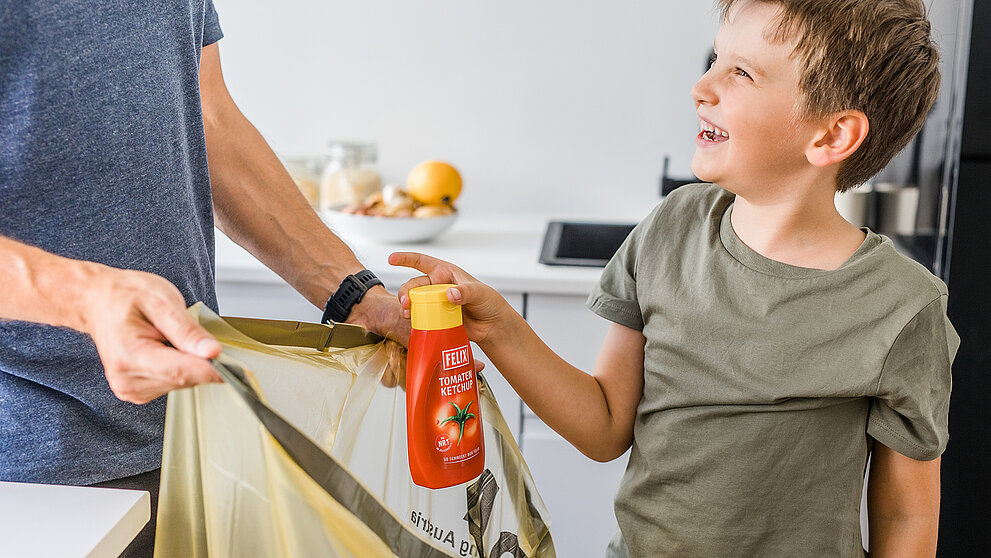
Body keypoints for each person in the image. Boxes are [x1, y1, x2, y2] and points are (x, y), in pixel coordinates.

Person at [390, 0, 957, 556]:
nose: (701, 87)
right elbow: (606, 425)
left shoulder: (902, 307)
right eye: (715, 59)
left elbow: (905, 516)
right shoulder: (671, 228)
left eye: (742, 73)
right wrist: (498, 328)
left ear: (831, 137)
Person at [0, 1, 407, 556]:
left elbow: (208, 121)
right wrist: (84, 296)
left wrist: (353, 294)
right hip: (33, 482)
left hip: (193, 438)